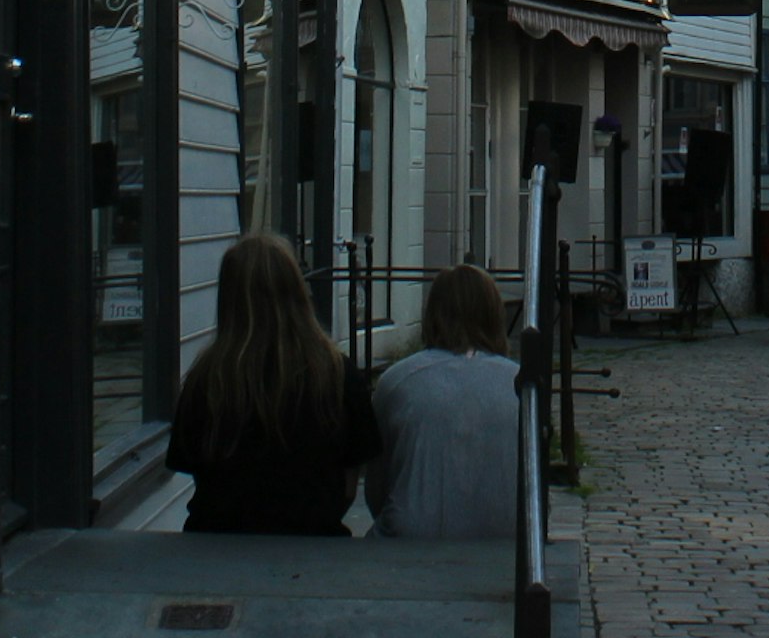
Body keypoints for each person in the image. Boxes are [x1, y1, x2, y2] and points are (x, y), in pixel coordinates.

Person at [170, 231, 378, 535]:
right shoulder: (336, 375)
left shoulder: (208, 379)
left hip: (216, 548)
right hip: (314, 547)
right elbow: (350, 480)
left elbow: (193, 466)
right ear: (296, 289)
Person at [371, 264, 520, 540]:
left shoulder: (398, 381)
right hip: (505, 540)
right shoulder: (521, 385)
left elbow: (377, 486)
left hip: (410, 541)